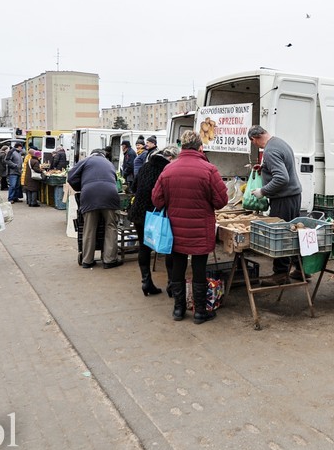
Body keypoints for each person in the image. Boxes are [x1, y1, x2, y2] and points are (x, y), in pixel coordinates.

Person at [152, 130, 228, 323]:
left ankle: (178, 310)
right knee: (199, 268)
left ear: (182, 147)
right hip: (200, 230)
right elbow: (221, 201)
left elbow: (157, 200)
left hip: (175, 229)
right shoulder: (209, 169)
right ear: (199, 146)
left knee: (178, 266)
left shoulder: (168, 169)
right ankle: (200, 311)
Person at [246, 125, 304, 285]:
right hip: (293, 196)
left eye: (254, 143)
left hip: (284, 199)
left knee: (281, 235)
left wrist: (263, 191)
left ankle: (280, 275)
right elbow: (282, 167)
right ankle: (301, 270)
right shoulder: (279, 142)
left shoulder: (270, 151)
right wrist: (264, 169)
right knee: (292, 233)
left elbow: (282, 178)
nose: (255, 145)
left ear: (255, 139)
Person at [128, 146, 179, 297]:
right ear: (171, 158)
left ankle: (146, 282)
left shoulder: (145, 166)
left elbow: (134, 187)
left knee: (144, 246)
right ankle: (171, 284)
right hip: (157, 214)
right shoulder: (168, 170)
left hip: (138, 213)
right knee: (169, 246)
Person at [67, 149, 123, 269]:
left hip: (89, 195)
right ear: (103, 155)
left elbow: (71, 177)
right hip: (110, 195)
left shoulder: (86, 160)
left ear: (91, 154)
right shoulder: (109, 163)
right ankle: (109, 260)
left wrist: (82, 186)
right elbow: (115, 180)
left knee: (89, 227)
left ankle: (87, 260)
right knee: (111, 226)